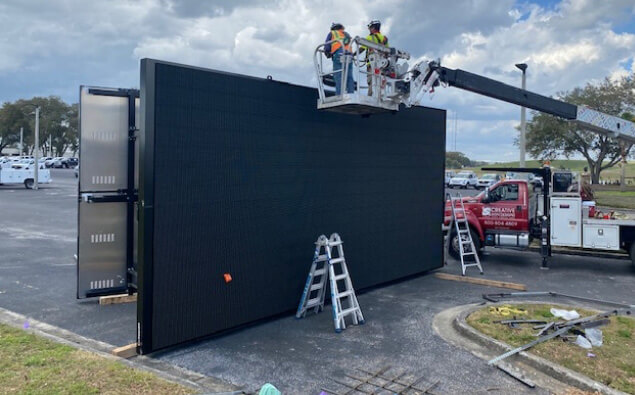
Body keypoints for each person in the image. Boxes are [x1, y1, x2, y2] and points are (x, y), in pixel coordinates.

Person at [324, 23, 355, 95]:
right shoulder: (346, 34)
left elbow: (327, 46)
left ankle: (339, 95)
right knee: (349, 76)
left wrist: (327, 53)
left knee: (338, 76)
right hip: (349, 55)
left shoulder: (332, 33)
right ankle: (351, 94)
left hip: (339, 54)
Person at [363, 19, 388, 96]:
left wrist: (353, 54)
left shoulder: (369, 38)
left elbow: (361, 48)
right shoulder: (384, 38)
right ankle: (380, 96)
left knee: (372, 81)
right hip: (382, 64)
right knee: (380, 81)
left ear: (373, 28)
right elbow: (387, 51)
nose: (369, 30)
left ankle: (371, 96)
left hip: (372, 64)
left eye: (370, 28)